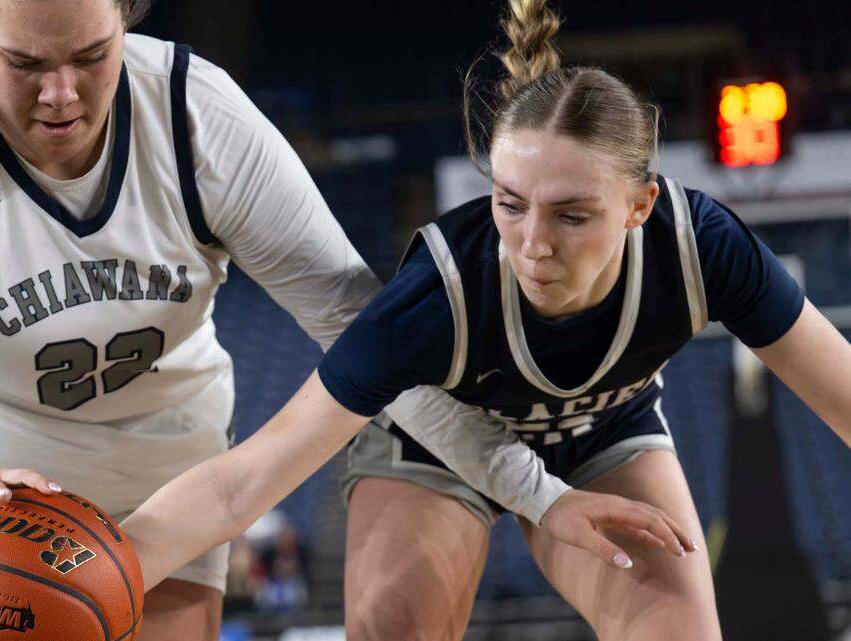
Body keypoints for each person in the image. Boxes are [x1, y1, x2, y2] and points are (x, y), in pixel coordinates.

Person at [0, 0, 686, 639]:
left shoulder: (194, 116)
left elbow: (371, 341)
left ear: (126, 21)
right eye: (25, 64)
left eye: (91, 55)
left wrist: (541, 493)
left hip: (161, 462)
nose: (61, 94)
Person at [120, 1, 851, 639]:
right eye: (509, 202)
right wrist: (97, 569)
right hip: (433, 444)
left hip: (599, 434)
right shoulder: (441, 292)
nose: (533, 243)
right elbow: (241, 485)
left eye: (572, 214)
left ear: (640, 205)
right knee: (397, 627)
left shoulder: (699, 247)